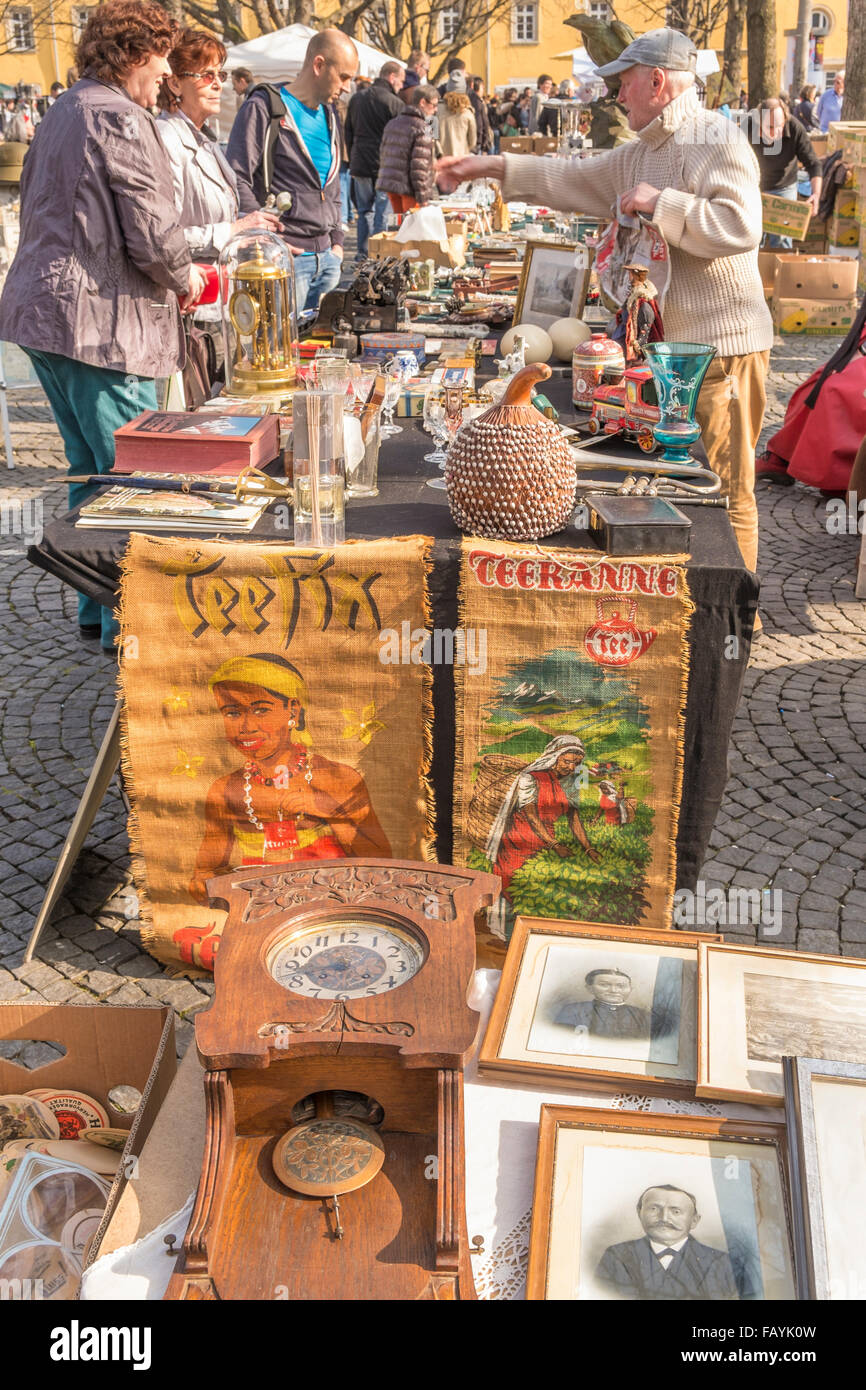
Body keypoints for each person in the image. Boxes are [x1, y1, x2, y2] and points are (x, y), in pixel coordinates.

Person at [437, 27, 773, 581]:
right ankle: (691, 606)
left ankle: (739, 621)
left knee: (726, 489)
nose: (616, 96)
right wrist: (490, 167)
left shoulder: (716, 136)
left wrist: (659, 202)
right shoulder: (641, 151)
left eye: (623, 83)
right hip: (668, 354)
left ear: (657, 81)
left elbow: (740, 227)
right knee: (681, 484)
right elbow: (569, 177)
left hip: (723, 354)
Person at [0, 0, 203, 652]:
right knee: (128, 479)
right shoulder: (117, 115)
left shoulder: (64, 108)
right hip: (99, 324)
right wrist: (187, 276)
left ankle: (98, 612)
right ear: (135, 54)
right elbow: (152, 234)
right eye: (163, 55)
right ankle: (129, 626)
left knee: (92, 470)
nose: (168, 70)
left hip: (50, 317)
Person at [189, 654, 391, 901]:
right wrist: (203, 884)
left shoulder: (338, 777)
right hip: (262, 910)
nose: (246, 726)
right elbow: (206, 871)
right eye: (232, 713)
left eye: (261, 710)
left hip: (335, 905)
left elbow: (384, 865)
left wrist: (330, 812)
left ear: (292, 710)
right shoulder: (225, 790)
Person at [156, 29, 279, 353]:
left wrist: (252, 233)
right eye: (206, 74)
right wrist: (233, 230)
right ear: (174, 82)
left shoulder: (205, 139)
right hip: (190, 309)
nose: (217, 84)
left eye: (220, 74)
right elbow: (162, 236)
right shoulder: (167, 139)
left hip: (216, 304)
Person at [227, 28, 356, 316]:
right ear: (319, 65)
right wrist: (269, 242)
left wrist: (336, 242)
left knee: (317, 355)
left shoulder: (331, 114)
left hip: (327, 260)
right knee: (275, 353)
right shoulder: (264, 107)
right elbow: (237, 176)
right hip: (284, 262)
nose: (347, 87)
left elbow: (333, 184)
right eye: (344, 76)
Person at [485, 734, 600, 923]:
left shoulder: (571, 782)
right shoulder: (530, 778)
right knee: (515, 883)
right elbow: (531, 815)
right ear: (555, 757)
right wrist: (554, 844)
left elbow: (574, 818)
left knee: (543, 889)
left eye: (576, 763)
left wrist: (588, 848)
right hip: (519, 837)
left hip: (546, 839)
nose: (571, 767)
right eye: (567, 761)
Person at [596, 1185, 741, 1300]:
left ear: (694, 1220)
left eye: (676, 1211)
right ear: (639, 1213)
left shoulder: (722, 1262)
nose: (664, 1218)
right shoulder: (617, 1256)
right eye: (654, 1209)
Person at [344, 59, 404, 257]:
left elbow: (348, 132)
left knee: (364, 212)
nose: (401, 86)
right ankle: (378, 253)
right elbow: (400, 137)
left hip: (360, 161)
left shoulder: (356, 98)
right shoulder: (394, 102)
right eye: (401, 81)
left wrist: (352, 157)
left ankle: (363, 253)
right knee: (381, 212)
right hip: (383, 164)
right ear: (392, 76)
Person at [750, 98, 822, 250]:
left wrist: (816, 194)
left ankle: (780, 271)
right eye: (769, 127)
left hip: (784, 187)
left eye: (780, 126)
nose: (776, 132)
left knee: (782, 241)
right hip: (754, 189)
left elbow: (813, 163)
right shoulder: (747, 128)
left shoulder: (795, 128)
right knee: (753, 239)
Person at [375, 83, 438, 215]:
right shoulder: (423, 128)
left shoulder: (393, 123)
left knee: (399, 228)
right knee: (412, 230)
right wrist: (423, 198)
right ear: (422, 102)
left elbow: (383, 153)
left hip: (391, 183)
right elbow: (419, 167)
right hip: (409, 188)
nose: (435, 110)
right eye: (433, 105)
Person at [556, 968, 650, 1038]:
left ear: (630, 989)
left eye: (621, 986)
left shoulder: (643, 1015)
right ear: (589, 988)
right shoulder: (573, 1010)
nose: (613, 990)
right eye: (604, 985)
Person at [612, 262, 664, 362]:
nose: (628, 276)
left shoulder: (643, 301)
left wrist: (638, 344)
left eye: (630, 274)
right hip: (622, 335)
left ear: (635, 275)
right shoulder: (633, 295)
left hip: (630, 344)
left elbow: (646, 326)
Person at [438, 90, 477, 159]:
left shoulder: (436, 109)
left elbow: (429, 135)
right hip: (461, 157)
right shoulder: (468, 113)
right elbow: (473, 141)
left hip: (441, 158)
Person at [468, 76, 492, 153]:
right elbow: (479, 122)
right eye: (482, 88)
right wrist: (481, 140)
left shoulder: (474, 100)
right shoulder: (476, 101)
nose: (483, 90)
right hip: (477, 141)